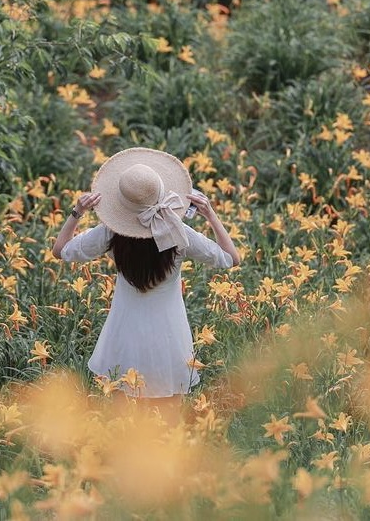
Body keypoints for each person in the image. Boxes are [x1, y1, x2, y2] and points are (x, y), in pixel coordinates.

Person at [51, 147, 241, 417]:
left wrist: (77, 212)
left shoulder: (111, 232)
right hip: (170, 339)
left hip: (123, 337)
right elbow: (231, 259)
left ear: (122, 203)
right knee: (169, 428)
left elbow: (61, 250)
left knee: (122, 426)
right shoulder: (179, 233)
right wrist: (210, 215)